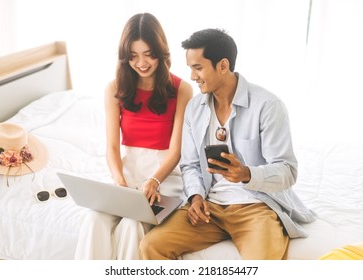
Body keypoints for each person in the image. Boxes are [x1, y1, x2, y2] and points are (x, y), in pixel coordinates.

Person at [140, 28, 315, 260]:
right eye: (190, 68)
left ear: (222, 66)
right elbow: (190, 165)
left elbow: (288, 170)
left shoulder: (268, 106)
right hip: (209, 208)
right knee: (151, 246)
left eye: (198, 67)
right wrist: (195, 197)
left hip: (255, 206)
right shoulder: (194, 108)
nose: (192, 76)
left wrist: (246, 174)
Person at [74, 13, 193, 260]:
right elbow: (111, 146)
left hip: (165, 177)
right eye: (133, 56)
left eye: (149, 54)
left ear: (161, 52)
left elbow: (176, 151)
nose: (141, 63)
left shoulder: (182, 89)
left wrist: (154, 180)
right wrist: (119, 182)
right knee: (94, 218)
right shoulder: (115, 88)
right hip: (127, 175)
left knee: (131, 225)